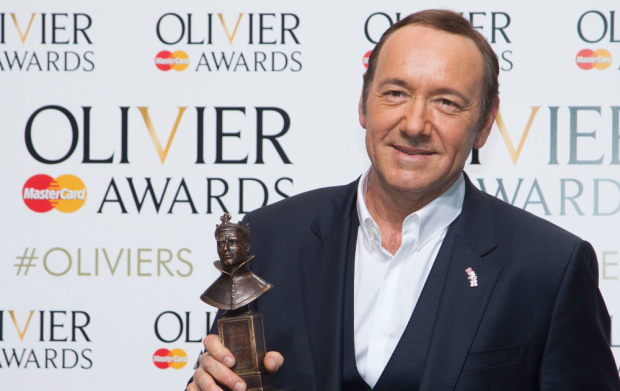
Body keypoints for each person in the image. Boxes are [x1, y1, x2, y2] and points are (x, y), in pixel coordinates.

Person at [188, 9, 620, 391]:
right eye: (395, 93)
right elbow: (226, 375)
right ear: (363, 103)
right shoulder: (270, 237)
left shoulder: (549, 268)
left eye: (446, 102)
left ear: (485, 125)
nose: (414, 123)